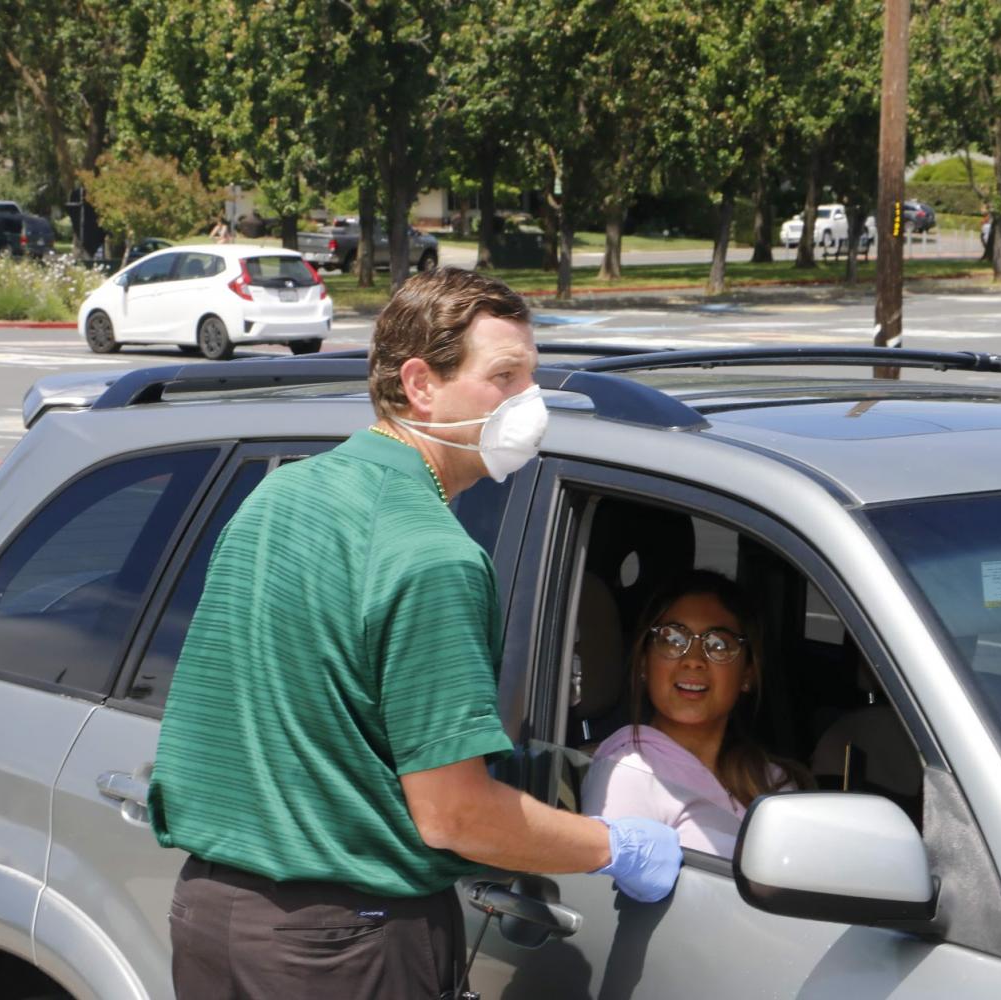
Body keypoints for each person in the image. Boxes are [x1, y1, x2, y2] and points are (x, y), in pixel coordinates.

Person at [149, 267, 680, 999]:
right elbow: (454, 815)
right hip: (345, 945)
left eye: (532, 377)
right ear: (420, 384)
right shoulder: (434, 556)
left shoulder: (280, 493)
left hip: (212, 920)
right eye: (503, 376)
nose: (528, 402)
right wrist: (611, 846)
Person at [581, 570, 811, 858]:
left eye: (718, 645)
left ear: (747, 674)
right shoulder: (629, 771)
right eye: (673, 639)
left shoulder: (771, 779)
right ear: (643, 663)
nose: (693, 660)